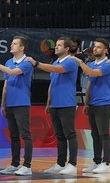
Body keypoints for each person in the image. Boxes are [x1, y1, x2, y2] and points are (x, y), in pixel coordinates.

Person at [0, 36, 35, 176]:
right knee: (13, 135)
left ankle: (27, 165)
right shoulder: (9, 61)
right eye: (11, 43)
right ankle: (15, 163)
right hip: (10, 103)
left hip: (22, 103)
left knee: (25, 134)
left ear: (22, 48)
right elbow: (6, 83)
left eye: (15, 44)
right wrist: (3, 103)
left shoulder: (26, 62)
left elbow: (12, 72)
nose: (11, 45)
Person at [33, 38, 81, 175]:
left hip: (67, 103)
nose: (56, 47)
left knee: (70, 134)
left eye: (59, 45)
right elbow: (52, 83)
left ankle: (72, 164)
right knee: (59, 135)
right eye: (57, 45)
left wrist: (37, 63)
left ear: (67, 48)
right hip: (55, 103)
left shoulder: (71, 61)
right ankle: (60, 163)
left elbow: (56, 70)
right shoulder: (55, 61)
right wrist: (49, 102)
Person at [81, 40, 110, 174]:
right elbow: (90, 84)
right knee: (94, 134)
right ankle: (96, 161)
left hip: (103, 103)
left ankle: (106, 163)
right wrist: (86, 102)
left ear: (106, 50)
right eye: (95, 47)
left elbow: (92, 73)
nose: (95, 49)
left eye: (99, 47)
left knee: (104, 134)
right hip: (93, 103)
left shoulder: (108, 65)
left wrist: (79, 62)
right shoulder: (91, 64)